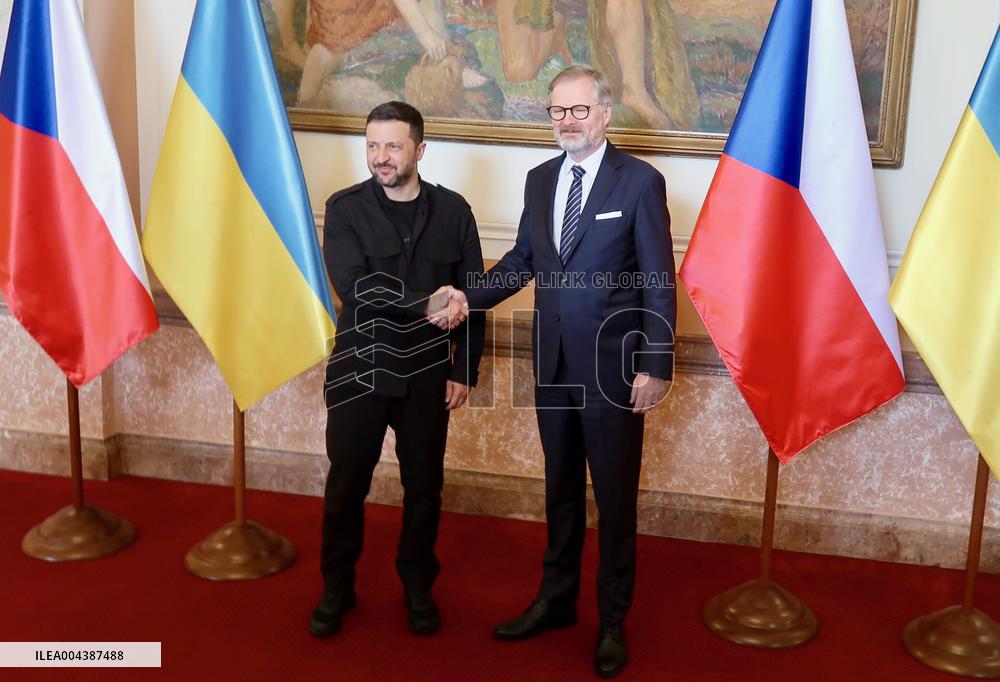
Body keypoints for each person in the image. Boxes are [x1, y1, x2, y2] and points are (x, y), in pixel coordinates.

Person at [434, 65, 675, 677]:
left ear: (604, 113)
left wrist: (656, 364)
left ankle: (613, 619)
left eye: (578, 110)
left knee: (614, 499)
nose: (567, 121)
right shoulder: (540, 180)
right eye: (556, 111)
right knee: (561, 490)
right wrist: (469, 298)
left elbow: (657, 281)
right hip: (554, 367)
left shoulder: (640, 183)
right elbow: (522, 260)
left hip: (615, 372)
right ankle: (557, 599)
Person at [310, 101, 484, 638]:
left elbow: (471, 295)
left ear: (420, 150)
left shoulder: (455, 211)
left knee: (425, 490)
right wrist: (429, 302)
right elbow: (357, 287)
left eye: (393, 146)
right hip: (359, 373)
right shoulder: (343, 208)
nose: (380, 158)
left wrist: (465, 370)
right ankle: (337, 587)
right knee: (345, 488)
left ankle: (417, 586)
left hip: (429, 378)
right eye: (372, 146)